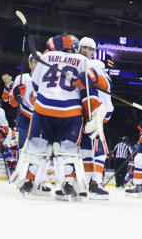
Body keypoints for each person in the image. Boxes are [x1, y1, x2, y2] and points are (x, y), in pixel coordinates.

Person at [17, 34, 90, 200]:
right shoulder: (82, 60)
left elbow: (35, 85)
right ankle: (68, 183)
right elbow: (88, 87)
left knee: (37, 147)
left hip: (44, 108)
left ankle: (29, 180)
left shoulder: (47, 56)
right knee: (67, 151)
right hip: (70, 111)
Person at [77, 37, 112, 200]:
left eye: (90, 49)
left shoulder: (97, 65)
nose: (87, 51)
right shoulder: (74, 61)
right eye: (84, 48)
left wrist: (95, 78)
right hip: (79, 111)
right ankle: (81, 183)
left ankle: (94, 182)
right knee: (82, 150)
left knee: (97, 150)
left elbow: (107, 84)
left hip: (97, 110)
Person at [3, 54, 37, 148]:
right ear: (30, 64)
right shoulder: (22, 78)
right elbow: (12, 103)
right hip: (24, 119)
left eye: (40, 63)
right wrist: (16, 95)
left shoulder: (47, 80)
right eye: (35, 62)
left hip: (40, 119)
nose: (37, 65)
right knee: (22, 149)